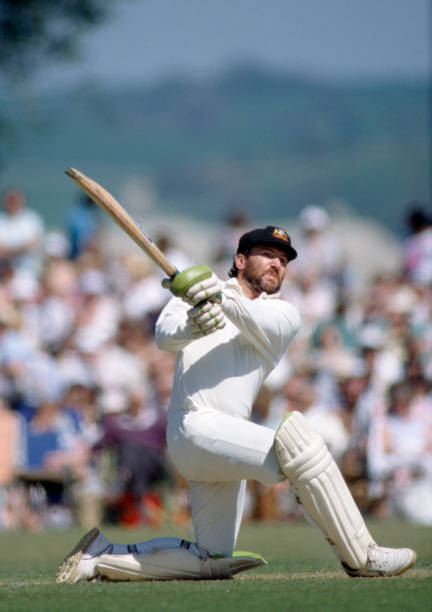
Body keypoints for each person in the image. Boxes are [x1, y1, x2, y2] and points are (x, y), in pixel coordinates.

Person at [56, 225, 416, 583]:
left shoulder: (283, 315)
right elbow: (166, 337)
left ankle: (100, 558)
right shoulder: (192, 293)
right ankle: (362, 555)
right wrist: (194, 324)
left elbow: (252, 318)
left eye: (283, 260)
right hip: (194, 426)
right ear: (240, 260)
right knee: (300, 445)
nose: (277, 264)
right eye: (268, 255)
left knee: (212, 561)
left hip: (224, 440)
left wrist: (216, 298)